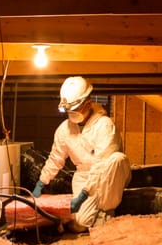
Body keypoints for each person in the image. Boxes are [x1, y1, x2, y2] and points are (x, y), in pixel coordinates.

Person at [32, 76, 131, 232]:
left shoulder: (104, 126)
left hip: (108, 176)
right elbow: (55, 158)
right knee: (80, 223)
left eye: (76, 109)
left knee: (116, 159)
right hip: (83, 176)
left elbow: (100, 166)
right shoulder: (65, 129)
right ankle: (95, 216)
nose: (72, 114)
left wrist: (84, 195)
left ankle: (107, 210)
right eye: (69, 111)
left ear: (88, 103)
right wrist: (41, 182)